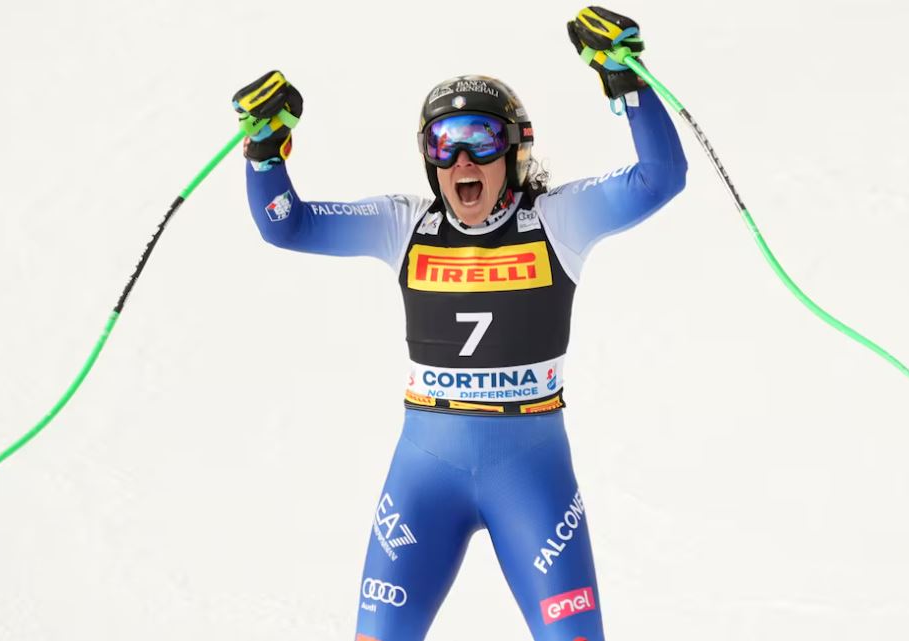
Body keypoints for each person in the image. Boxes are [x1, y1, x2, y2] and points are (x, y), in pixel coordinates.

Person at [235, 8, 687, 641]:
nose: (461, 159)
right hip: (424, 476)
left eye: (481, 138)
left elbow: (662, 178)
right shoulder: (404, 224)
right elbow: (287, 224)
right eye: (443, 144)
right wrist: (264, 152)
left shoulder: (558, 219)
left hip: (530, 473)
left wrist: (626, 81)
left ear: (516, 149)